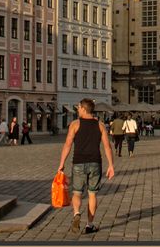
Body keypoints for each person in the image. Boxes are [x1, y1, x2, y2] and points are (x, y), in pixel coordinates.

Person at [57, 98, 115, 235]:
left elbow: (67, 144)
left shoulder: (75, 124)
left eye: (78, 108)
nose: (77, 110)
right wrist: (111, 165)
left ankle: (77, 213)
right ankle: (90, 224)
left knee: (77, 192)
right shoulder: (100, 125)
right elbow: (107, 146)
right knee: (92, 194)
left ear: (83, 109)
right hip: (95, 162)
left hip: (78, 162)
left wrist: (61, 164)